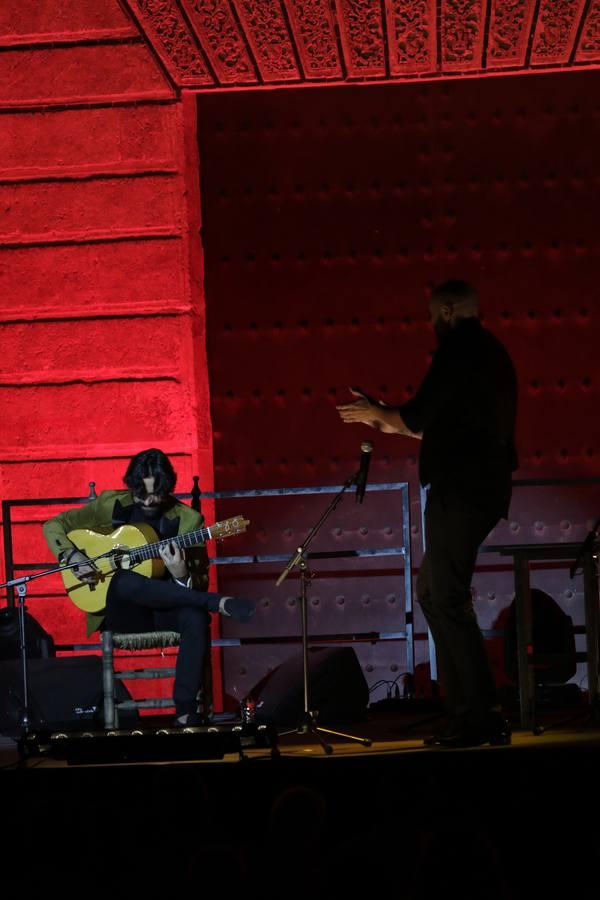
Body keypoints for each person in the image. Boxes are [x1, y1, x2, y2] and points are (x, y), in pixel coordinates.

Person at [337, 280, 518, 747]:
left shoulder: (458, 351)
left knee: (446, 596)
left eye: (433, 316)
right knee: (435, 592)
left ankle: (479, 714)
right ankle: (468, 711)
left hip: (461, 490)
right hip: (477, 487)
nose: (431, 325)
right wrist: (382, 416)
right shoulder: (491, 355)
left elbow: (417, 417)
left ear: (450, 311)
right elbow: (437, 426)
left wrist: (377, 413)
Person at [43, 448, 255, 726]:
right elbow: (54, 525)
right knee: (123, 579)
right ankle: (216, 602)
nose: (146, 500)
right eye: (140, 493)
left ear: (168, 489)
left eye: (155, 494)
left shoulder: (189, 522)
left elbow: (199, 579)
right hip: (122, 613)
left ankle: (184, 711)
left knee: (195, 617)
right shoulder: (109, 504)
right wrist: (71, 556)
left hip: (165, 611)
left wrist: (180, 574)